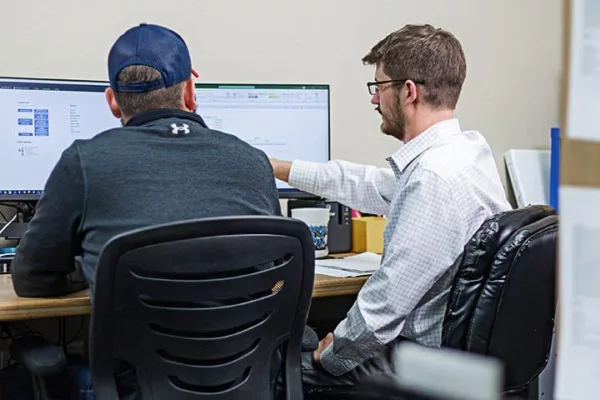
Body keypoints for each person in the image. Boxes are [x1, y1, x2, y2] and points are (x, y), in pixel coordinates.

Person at [11, 23, 282, 398]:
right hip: (248, 383)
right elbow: (275, 275)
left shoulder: (84, 162)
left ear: (112, 101)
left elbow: (30, 279)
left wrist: (97, 270)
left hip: (136, 389)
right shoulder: (252, 161)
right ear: (190, 90)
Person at [270, 24, 512, 389]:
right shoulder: (465, 154)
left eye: (379, 87)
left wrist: (332, 355)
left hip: (422, 363)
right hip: (461, 355)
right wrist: (279, 168)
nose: (373, 99)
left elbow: (383, 309)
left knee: (277, 369)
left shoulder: (434, 178)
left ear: (408, 92)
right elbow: (366, 184)